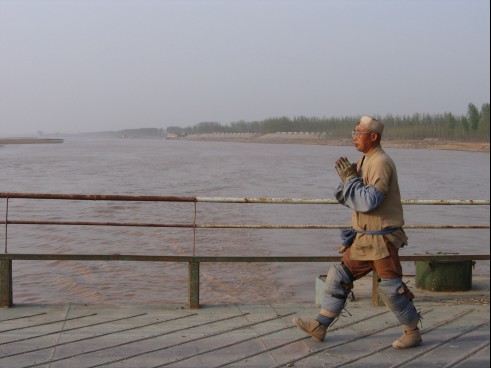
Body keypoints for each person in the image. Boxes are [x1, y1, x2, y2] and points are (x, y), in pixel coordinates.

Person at [293, 115, 422, 349]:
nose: (354, 137)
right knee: (338, 277)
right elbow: (349, 198)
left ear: (373, 137)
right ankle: (319, 325)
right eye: (353, 132)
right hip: (363, 239)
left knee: (392, 290)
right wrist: (347, 181)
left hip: (382, 241)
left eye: (358, 133)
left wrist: (351, 181)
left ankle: (412, 332)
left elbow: (369, 201)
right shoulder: (364, 161)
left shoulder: (381, 162)